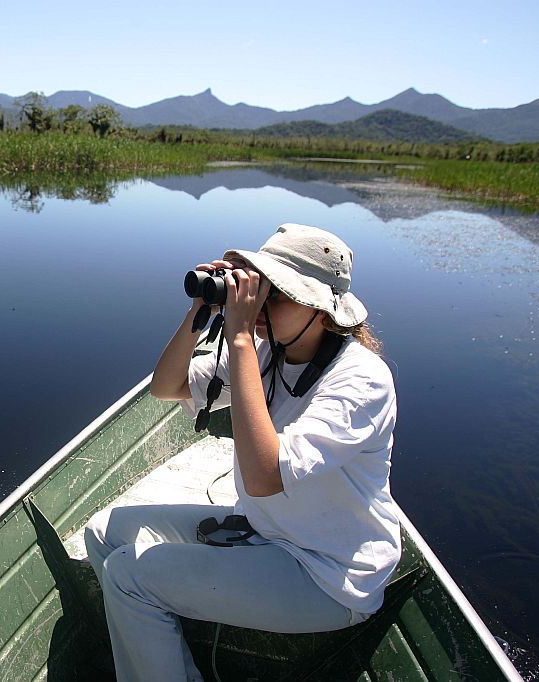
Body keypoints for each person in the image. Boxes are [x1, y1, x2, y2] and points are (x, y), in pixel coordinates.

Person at [84, 223, 400, 682]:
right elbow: (166, 387)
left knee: (128, 576)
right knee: (104, 532)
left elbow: (264, 478)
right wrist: (200, 311)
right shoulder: (266, 349)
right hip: (265, 529)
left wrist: (238, 338)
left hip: (327, 574)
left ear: (321, 309)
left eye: (276, 294)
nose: (257, 303)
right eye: (257, 286)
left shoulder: (361, 380)